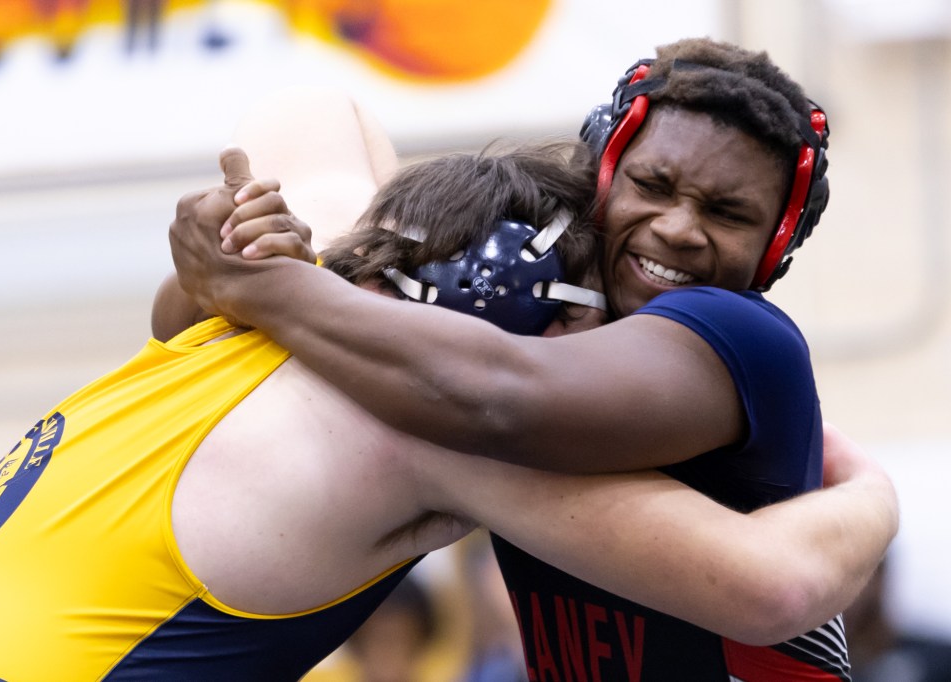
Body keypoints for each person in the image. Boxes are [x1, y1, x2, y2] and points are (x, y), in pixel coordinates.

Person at [0, 87, 896, 681]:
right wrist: (869, 492)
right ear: (533, 318)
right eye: (586, 318)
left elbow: (317, 110)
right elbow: (773, 586)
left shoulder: (260, 301)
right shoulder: (435, 431)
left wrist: (286, 259)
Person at [169, 39, 886, 679]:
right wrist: (259, 253)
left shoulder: (738, 331)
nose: (678, 230)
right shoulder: (546, 295)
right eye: (653, 186)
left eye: (727, 215)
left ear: (775, 249)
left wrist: (267, 287)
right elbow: (178, 326)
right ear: (602, 172)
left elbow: (498, 397)